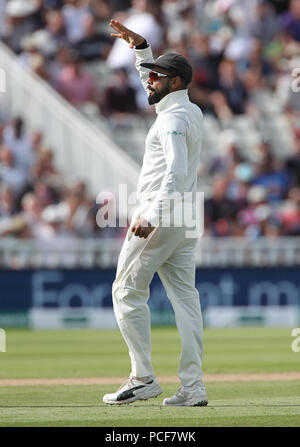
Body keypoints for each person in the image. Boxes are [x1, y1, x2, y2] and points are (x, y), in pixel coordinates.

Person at [103, 19, 208, 407]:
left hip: (161, 217)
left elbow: (178, 172)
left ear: (176, 82)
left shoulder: (174, 120)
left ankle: (143, 377)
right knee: (186, 300)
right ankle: (193, 387)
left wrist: (152, 215)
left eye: (158, 77)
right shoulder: (185, 110)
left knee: (126, 290)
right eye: (150, 75)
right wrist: (141, 49)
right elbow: (154, 84)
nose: (149, 81)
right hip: (185, 219)